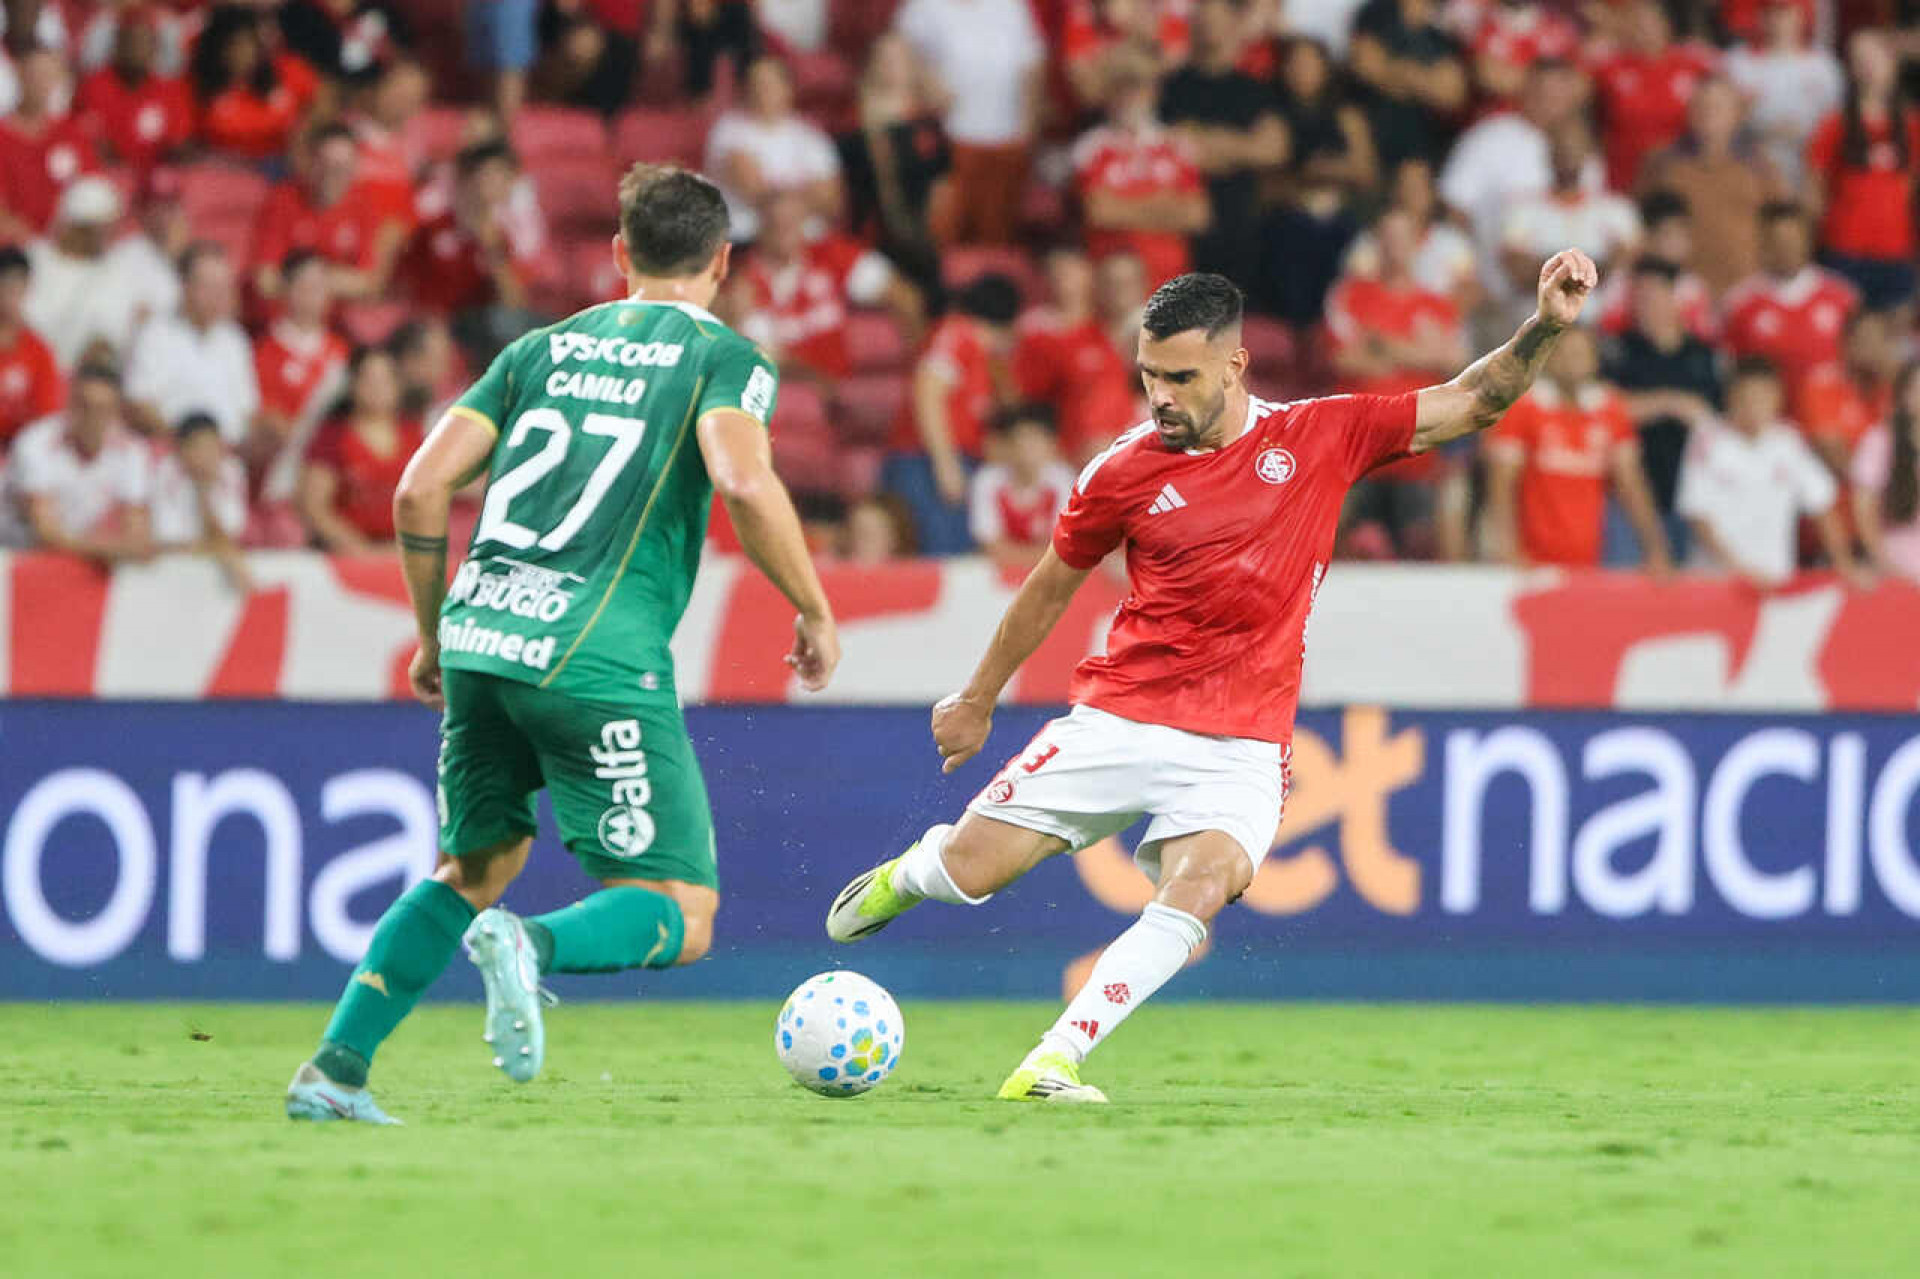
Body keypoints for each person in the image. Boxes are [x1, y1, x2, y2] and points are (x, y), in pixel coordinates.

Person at [825, 250, 1600, 1102]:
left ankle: (1054, 1058)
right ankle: (909, 875)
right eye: (1149, 375)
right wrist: (976, 699)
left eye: (1182, 378)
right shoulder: (1120, 470)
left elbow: (1474, 400)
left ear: (1234, 366)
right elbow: (1050, 584)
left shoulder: (1319, 434)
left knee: (1200, 888)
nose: (1161, 396)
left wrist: (1546, 326)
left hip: (1242, 742)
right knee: (974, 871)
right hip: (1122, 714)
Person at [285, 163, 841, 1124]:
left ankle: (335, 1071)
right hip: (594, 651)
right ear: (723, 261)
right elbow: (744, 483)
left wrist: (430, 632)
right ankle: (529, 949)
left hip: (478, 635)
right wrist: (814, 605)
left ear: (621, 255)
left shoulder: (538, 349)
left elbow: (419, 487)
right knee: (681, 904)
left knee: (475, 860)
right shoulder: (725, 357)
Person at [1484, 322, 1670, 569]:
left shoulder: (1610, 411)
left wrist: (1655, 548)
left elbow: (1632, 485)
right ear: (1548, 358)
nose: (1573, 362)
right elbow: (1501, 484)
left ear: (1595, 360)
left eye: (1581, 353)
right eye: (1565, 353)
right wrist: (1507, 549)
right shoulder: (1523, 409)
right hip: (1529, 562)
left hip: (1589, 561)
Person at [1677, 355, 1866, 589]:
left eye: (1764, 397)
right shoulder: (1707, 438)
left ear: (1778, 399)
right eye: (1747, 398)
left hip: (1775, 581)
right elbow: (1698, 515)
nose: (1755, 406)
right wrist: (1738, 569)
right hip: (1717, 582)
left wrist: (1844, 563)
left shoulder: (1788, 442)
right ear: (1731, 397)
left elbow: (1822, 503)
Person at [886, 272, 1022, 555]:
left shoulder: (980, 354)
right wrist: (945, 463)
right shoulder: (959, 334)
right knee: (938, 552)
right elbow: (928, 391)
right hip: (924, 461)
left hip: (951, 458)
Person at [732, 189, 923, 383]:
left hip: (842, 383)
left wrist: (917, 361)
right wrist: (820, 381)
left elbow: (905, 295)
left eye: (791, 224)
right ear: (760, 227)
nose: (785, 233)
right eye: (776, 225)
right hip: (789, 390)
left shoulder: (830, 256)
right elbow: (761, 354)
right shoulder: (743, 280)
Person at [1157, 0, 1288, 284]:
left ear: (1234, 24)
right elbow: (1171, 148)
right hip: (1183, 230)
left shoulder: (1254, 88)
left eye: (1218, 20)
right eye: (1204, 20)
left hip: (1240, 226)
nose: (1210, 28)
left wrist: (1211, 141)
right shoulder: (1170, 88)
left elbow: (1273, 149)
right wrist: (1242, 146)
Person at [895, 0, 1046, 246]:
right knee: (946, 235)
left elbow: (1032, 65)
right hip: (950, 140)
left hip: (1007, 140)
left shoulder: (1010, 5)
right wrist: (927, 86)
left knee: (997, 239)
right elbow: (900, 57)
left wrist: (1028, 131)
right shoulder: (922, 7)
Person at [1601, 258, 1721, 560]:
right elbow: (1605, 410)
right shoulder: (1619, 353)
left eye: (1652, 296)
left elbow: (1718, 420)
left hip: (1692, 496)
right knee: (1626, 591)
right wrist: (1669, 402)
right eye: (1638, 298)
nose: (1644, 305)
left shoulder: (1704, 356)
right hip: (1629, 497)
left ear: (1674, 299)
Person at [1073, 45, 1209, 290]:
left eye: (1138, 86)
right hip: (1112, 288)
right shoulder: (1091, 147)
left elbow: (1196, 215)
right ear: (1108, 92)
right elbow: (1100, 212)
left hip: (1171, 286)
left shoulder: (1176, 145)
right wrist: (1165, 205)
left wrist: (1125, 207)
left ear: (1154, 91)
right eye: (1121, 86)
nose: (1129, 96)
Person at [1803, 30, 1920, 311]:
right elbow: (1813, 191)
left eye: (1874, 58)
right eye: (1859, 60)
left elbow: (1913, 191)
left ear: (1892, 63)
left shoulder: (1912, 126)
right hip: (1844, 250)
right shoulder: (1834, 125)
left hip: (1896, 251)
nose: (1867, 67)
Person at [1638, 75, 1783, 299]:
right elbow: (1642, 223)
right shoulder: (1664, 165)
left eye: (1718, 107)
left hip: (1744, 290)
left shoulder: (1761, 169)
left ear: (1737, 114)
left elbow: (1779, 229)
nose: (1708, 114)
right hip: (1680, 292)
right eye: (1701, 106)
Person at [0, 360, 152, 564]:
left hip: (73, 554)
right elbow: (45, 532)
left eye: (101, 409)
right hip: (12, 554)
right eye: (84, 406)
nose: (91, 418)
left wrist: (118, 546)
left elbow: (136, 529)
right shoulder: (36, 443)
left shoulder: (132, 452)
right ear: (69, 402)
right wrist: (111, 549)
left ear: (117, 412)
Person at [836, 33, 949, 300]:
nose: (891, 67)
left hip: (921, 236)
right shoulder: (851, 123)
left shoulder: (927, 123)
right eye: (884, 59)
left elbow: (942, 182)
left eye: (898, 59)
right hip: (871, 235)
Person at [1498, 117, 1640, 329]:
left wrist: (1552, 269)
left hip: (1603, 328)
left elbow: (1628, 263)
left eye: (1574, 146)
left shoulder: (1616, 211)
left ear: (1589, 151)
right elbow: (1518, 269)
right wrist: (1595, 267)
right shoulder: (1522, 211)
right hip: (1538, 327)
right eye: (1561, 147)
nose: (1568, 153)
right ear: (1548, 152)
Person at [1012, 246, 1142, 465]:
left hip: (1130, 452)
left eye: (1128, 283)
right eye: (1058, 274)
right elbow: (1027, 399)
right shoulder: (1053, 339)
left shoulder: (1140, 334)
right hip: (1076, 456)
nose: (1064, 282)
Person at [1721, 201, 1857, 409]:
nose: (1786, 249)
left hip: (1828, 423)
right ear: (1763, 243)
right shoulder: (1740, 303)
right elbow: (1729, 369)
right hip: (1769, 426)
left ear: (1807, 241)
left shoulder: (1842, 297)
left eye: (1793, 240)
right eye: (1778, 241)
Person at [250, 121, 405, 303]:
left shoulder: (364, 205)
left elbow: (369, 282)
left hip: (338, 319)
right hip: (285, 315)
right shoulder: (284, 200)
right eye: (327, 166)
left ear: (355, 167)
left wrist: (310, 280)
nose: (333, 177)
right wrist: (331, 280)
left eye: (342, 168)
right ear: (311, 163)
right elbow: (265, 280)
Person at [124, 241, 260, 444]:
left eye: (223, 287)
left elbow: (249, 411)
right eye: (209, 286)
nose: (218, 296)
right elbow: (139, 404)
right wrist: (190, 447)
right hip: (172, 452)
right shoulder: (155, 334)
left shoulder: (235, 340)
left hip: (227, 456)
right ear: (185, 286)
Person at [295, 344, 422, 553]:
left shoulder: (414, 436)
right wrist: (358, 548)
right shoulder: (333, 437)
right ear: (353, 384)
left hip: (403, 553)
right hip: (345, 555)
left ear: (398, 385)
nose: (377, 388)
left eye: (384, 380)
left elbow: (428, 501)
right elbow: (313, 505)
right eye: (369, 379)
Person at [704, 56, 842, 242]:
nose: (763, 91)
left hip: (809, 241)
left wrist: (779, 193)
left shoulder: (811, 136)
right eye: (757, 83)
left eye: (771, 83)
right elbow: (754, 191)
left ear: (788, 88)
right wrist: (806, 193)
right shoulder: (729, 130)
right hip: (747, 237)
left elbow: (831, 201)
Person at [1585, 0, 1718, 193]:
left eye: (1652, 21)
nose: (1645, 28)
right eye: (1638, 21)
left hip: (1678, 176)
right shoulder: (1608, 67)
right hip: (1621, 175)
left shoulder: (1693, 65)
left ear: (1667, 25)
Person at [21, 176, 149, 368]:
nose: (109, 233)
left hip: (80, 379)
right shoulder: (32, 258)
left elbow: (108, 339)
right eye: (100, 226)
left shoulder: (117, 272)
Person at [254, 249, 350, 501]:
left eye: (322, 286)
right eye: (307, 285)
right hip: (285, 470)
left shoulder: (342, 351)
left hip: (333, 471)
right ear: (287, 290)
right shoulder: (265, 352)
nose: (315, 294)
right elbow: (265, 417)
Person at [1724, 0, 1842, 190]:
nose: (1779, 21)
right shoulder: (1738, 62)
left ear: (1802, 16)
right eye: (1771, 12)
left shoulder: (1824, 66)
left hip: (1807, 169)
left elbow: (1836, 122)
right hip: (1752, 169)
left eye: (1786, 13)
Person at [188, 5, 321, 163]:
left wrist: (302, 133)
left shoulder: (286, 71)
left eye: (249, 44)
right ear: (219, 48)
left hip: (281, 166)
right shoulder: (197, 89)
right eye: (234, 45)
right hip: (220, 168)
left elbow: (322, 102)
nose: (242, 52)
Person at [1346, 0, 1466, 171]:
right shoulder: (1375, 13)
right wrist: (1423, 79)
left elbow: (1453, 95)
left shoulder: (1441, 29)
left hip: (1423, 142)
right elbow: (1365, 67)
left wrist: (1397, 73)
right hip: (1374, 127)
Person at [73, 7, 192, 179]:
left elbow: (180, 142)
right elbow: (90, 141)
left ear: (154, 48)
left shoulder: (170, 89)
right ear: (117, 46)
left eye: (143, 42)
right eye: (130, 42)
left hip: (158, 180)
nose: (136, 49)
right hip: (111, 175)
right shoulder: (94, 86)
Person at [0, 43, 99, 240]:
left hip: (68, 246)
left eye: (48, 76)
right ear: (19, 74)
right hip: (15, 249)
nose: (41, 83)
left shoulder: (72, 133)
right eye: (34, 74)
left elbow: (93, 191)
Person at [149, 410, 251, 591]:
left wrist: (204, 493)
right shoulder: (166, 472)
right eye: (197, 447)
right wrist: (225, 554)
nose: (206, 455)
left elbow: (230, 533)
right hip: (171, 574)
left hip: (206, 560)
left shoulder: (232, 470)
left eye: (212, 447)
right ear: (180, 449)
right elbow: (168, 541)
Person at [969, 404, 1076, 570]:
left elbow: (1064, 548)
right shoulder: (988, 481)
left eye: (1035, 441)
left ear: (1051, 446)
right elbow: (990, 546)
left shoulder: (1063, 480)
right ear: (1008, 447)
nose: (1027, 450)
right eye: (1020, 441)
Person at [1796, 306, 1896, 476]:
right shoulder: (1821, 384)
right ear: (1846, 344)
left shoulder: (1897, 386)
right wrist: (1874, 489)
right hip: (1839, 494)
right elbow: (1832, 453)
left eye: (1879, 341)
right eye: (1866, 341)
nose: (1874, 350)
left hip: (1892, 491)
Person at [1852, 360, 1920, 584]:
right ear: (1903, 395)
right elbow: (1863, 509)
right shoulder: (1880, 442)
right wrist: (1883, 561)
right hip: (1898, 560)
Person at [0, 244, 62, 451]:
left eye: (17, 287)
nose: (10, 296)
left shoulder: (39, 351)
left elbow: (46, 418)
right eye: (5, 286)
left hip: (19, 454)